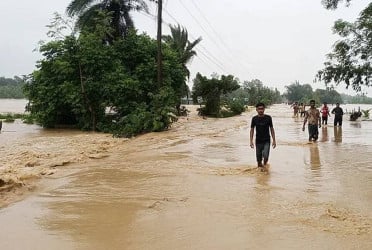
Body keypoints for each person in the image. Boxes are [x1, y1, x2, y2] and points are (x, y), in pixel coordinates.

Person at [250, 102, 276, 171]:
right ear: (256, 110)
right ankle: (261, 175)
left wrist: (274, 140)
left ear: (264, 109)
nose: (260, 110)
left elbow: (271, 129)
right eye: (259, 109)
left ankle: (265, 166)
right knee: (258, 161)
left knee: (266, 156)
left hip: (266, 140)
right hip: (258, 141)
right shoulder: (254, 119)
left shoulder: (268, 118)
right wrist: (251, 141)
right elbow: (252, 130)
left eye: (262, 109)